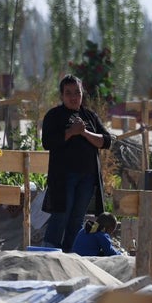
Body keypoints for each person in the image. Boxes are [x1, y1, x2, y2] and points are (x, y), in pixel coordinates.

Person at [41, 74, 112, 252]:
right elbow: (47, 143)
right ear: (62, 96)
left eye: (77, 93)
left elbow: (106, 141)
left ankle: (71, 254)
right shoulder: (54, 115)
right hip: (63, 178)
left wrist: (84, 132)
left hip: (88, 177)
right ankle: (49, 253)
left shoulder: (90, 116)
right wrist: (71, 132)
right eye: (68, 93)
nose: (73, 97)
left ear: (82, 94)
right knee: (61, 215)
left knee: (77, 219)